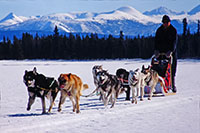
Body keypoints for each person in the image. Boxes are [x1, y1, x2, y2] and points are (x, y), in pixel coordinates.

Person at [154, 15, 178, 93]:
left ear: (169, 22)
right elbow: (156, 41)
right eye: (164, 23)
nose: (165, 24)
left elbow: (174, 42)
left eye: (167, 22)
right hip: (161, 52)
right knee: (158, 68)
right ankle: (157, 85)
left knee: (172, 69)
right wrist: (156, 50)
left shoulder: (173, 30)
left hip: (171, 52)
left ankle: (172, 85)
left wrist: (171, 50)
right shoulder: (159, 30)